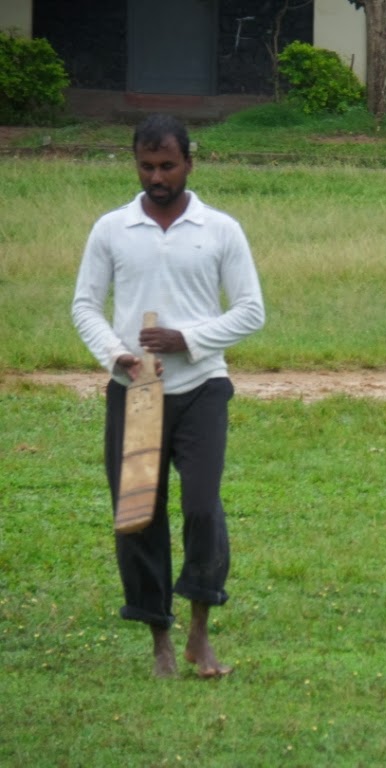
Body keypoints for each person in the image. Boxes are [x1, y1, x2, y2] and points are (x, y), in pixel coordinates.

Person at [72, 114, 265, 676]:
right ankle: (160, 640)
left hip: (202, 386)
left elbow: (251, 310)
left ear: (189, 163)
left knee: (202, 506)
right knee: (138, 514)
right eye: (146, 166)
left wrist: (189, 340)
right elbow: (85, 306)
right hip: (135, 391)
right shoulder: (112, 228)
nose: (157, 178)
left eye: (167, 166)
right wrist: (116, 354)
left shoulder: (220, 229)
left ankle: (200, 635)